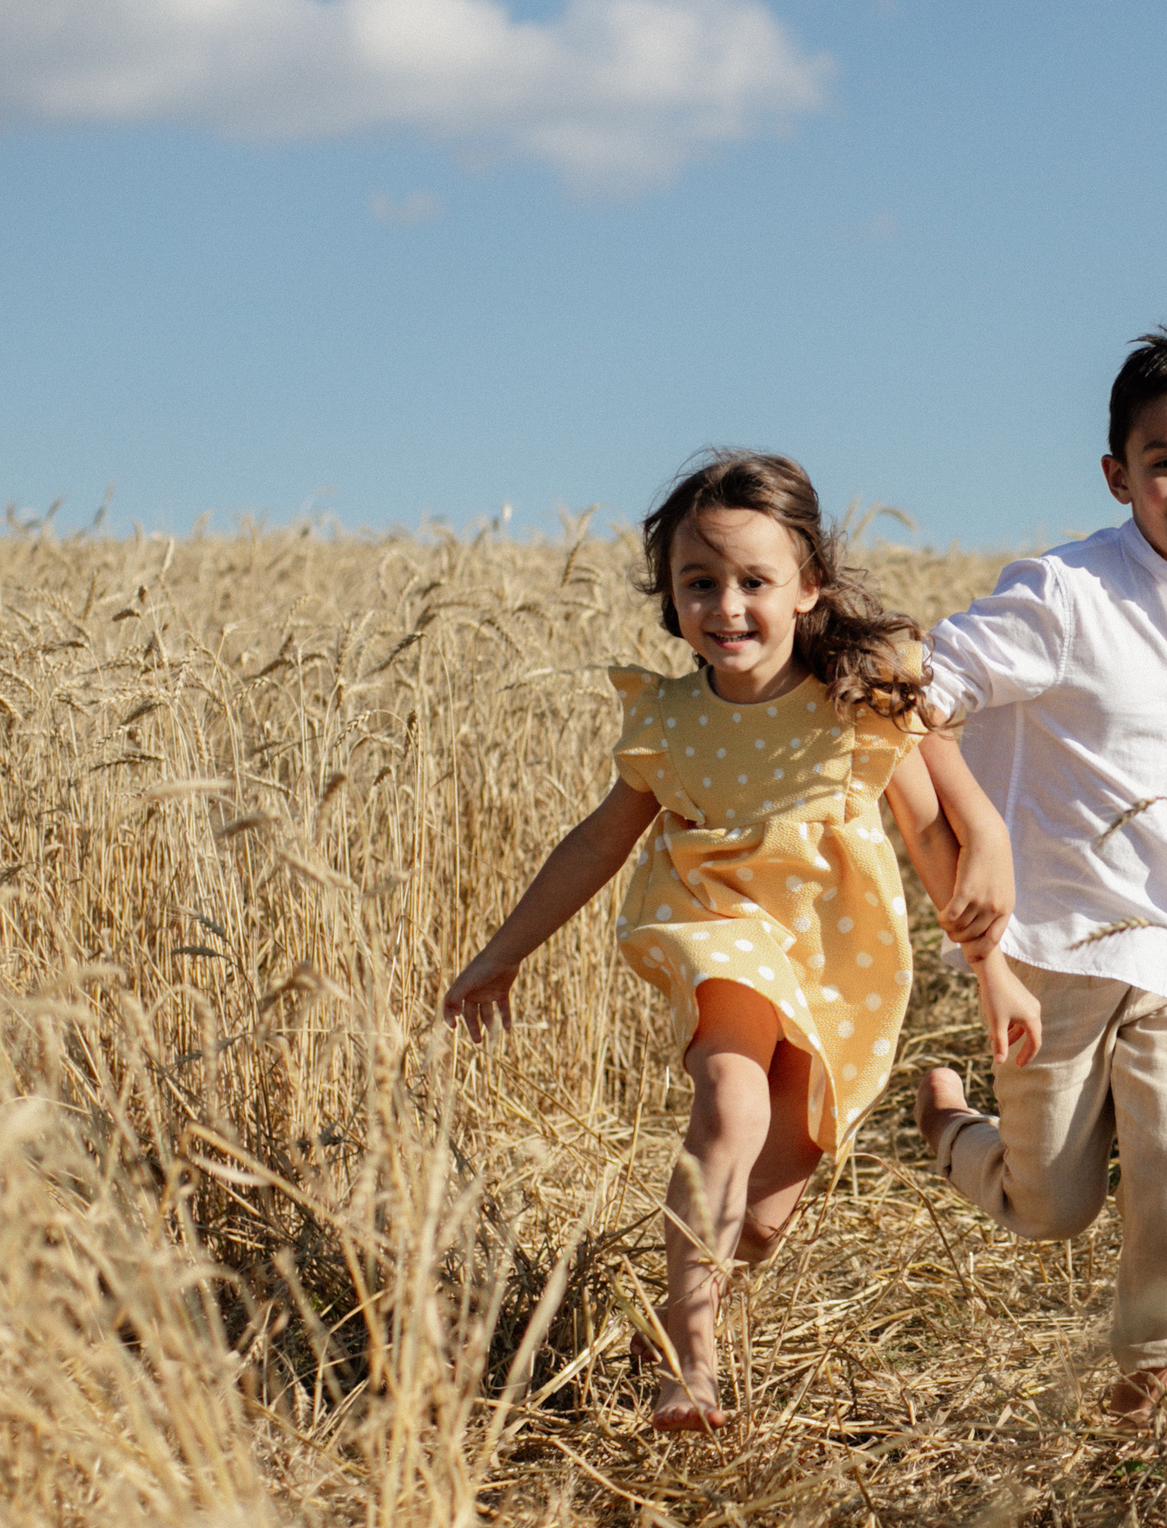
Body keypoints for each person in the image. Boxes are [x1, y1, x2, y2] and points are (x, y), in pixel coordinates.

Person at [444, 451, 1038, 1432]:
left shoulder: (862, 700)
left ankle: (679, 1311)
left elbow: (934, 841)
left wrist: (993, 972)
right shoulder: (671, 720)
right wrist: (501, 952)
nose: (726, 606)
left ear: (808, 586)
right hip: (717, 932)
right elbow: (597, 843)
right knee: (730, 1100)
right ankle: (693, 1363)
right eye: (699, 583)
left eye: (753, 581)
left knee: (761, 1219)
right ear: (670, 596)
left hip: (836, 960)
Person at [914, 315, 1167, 1427]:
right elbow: (914, 695)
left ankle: (1146, 1391)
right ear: (1118, 475)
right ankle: (948, 1126)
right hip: (1062, 943)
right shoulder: (1065, 596)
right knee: (1052, 1204)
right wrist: (980, 835)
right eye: (1165, 461)